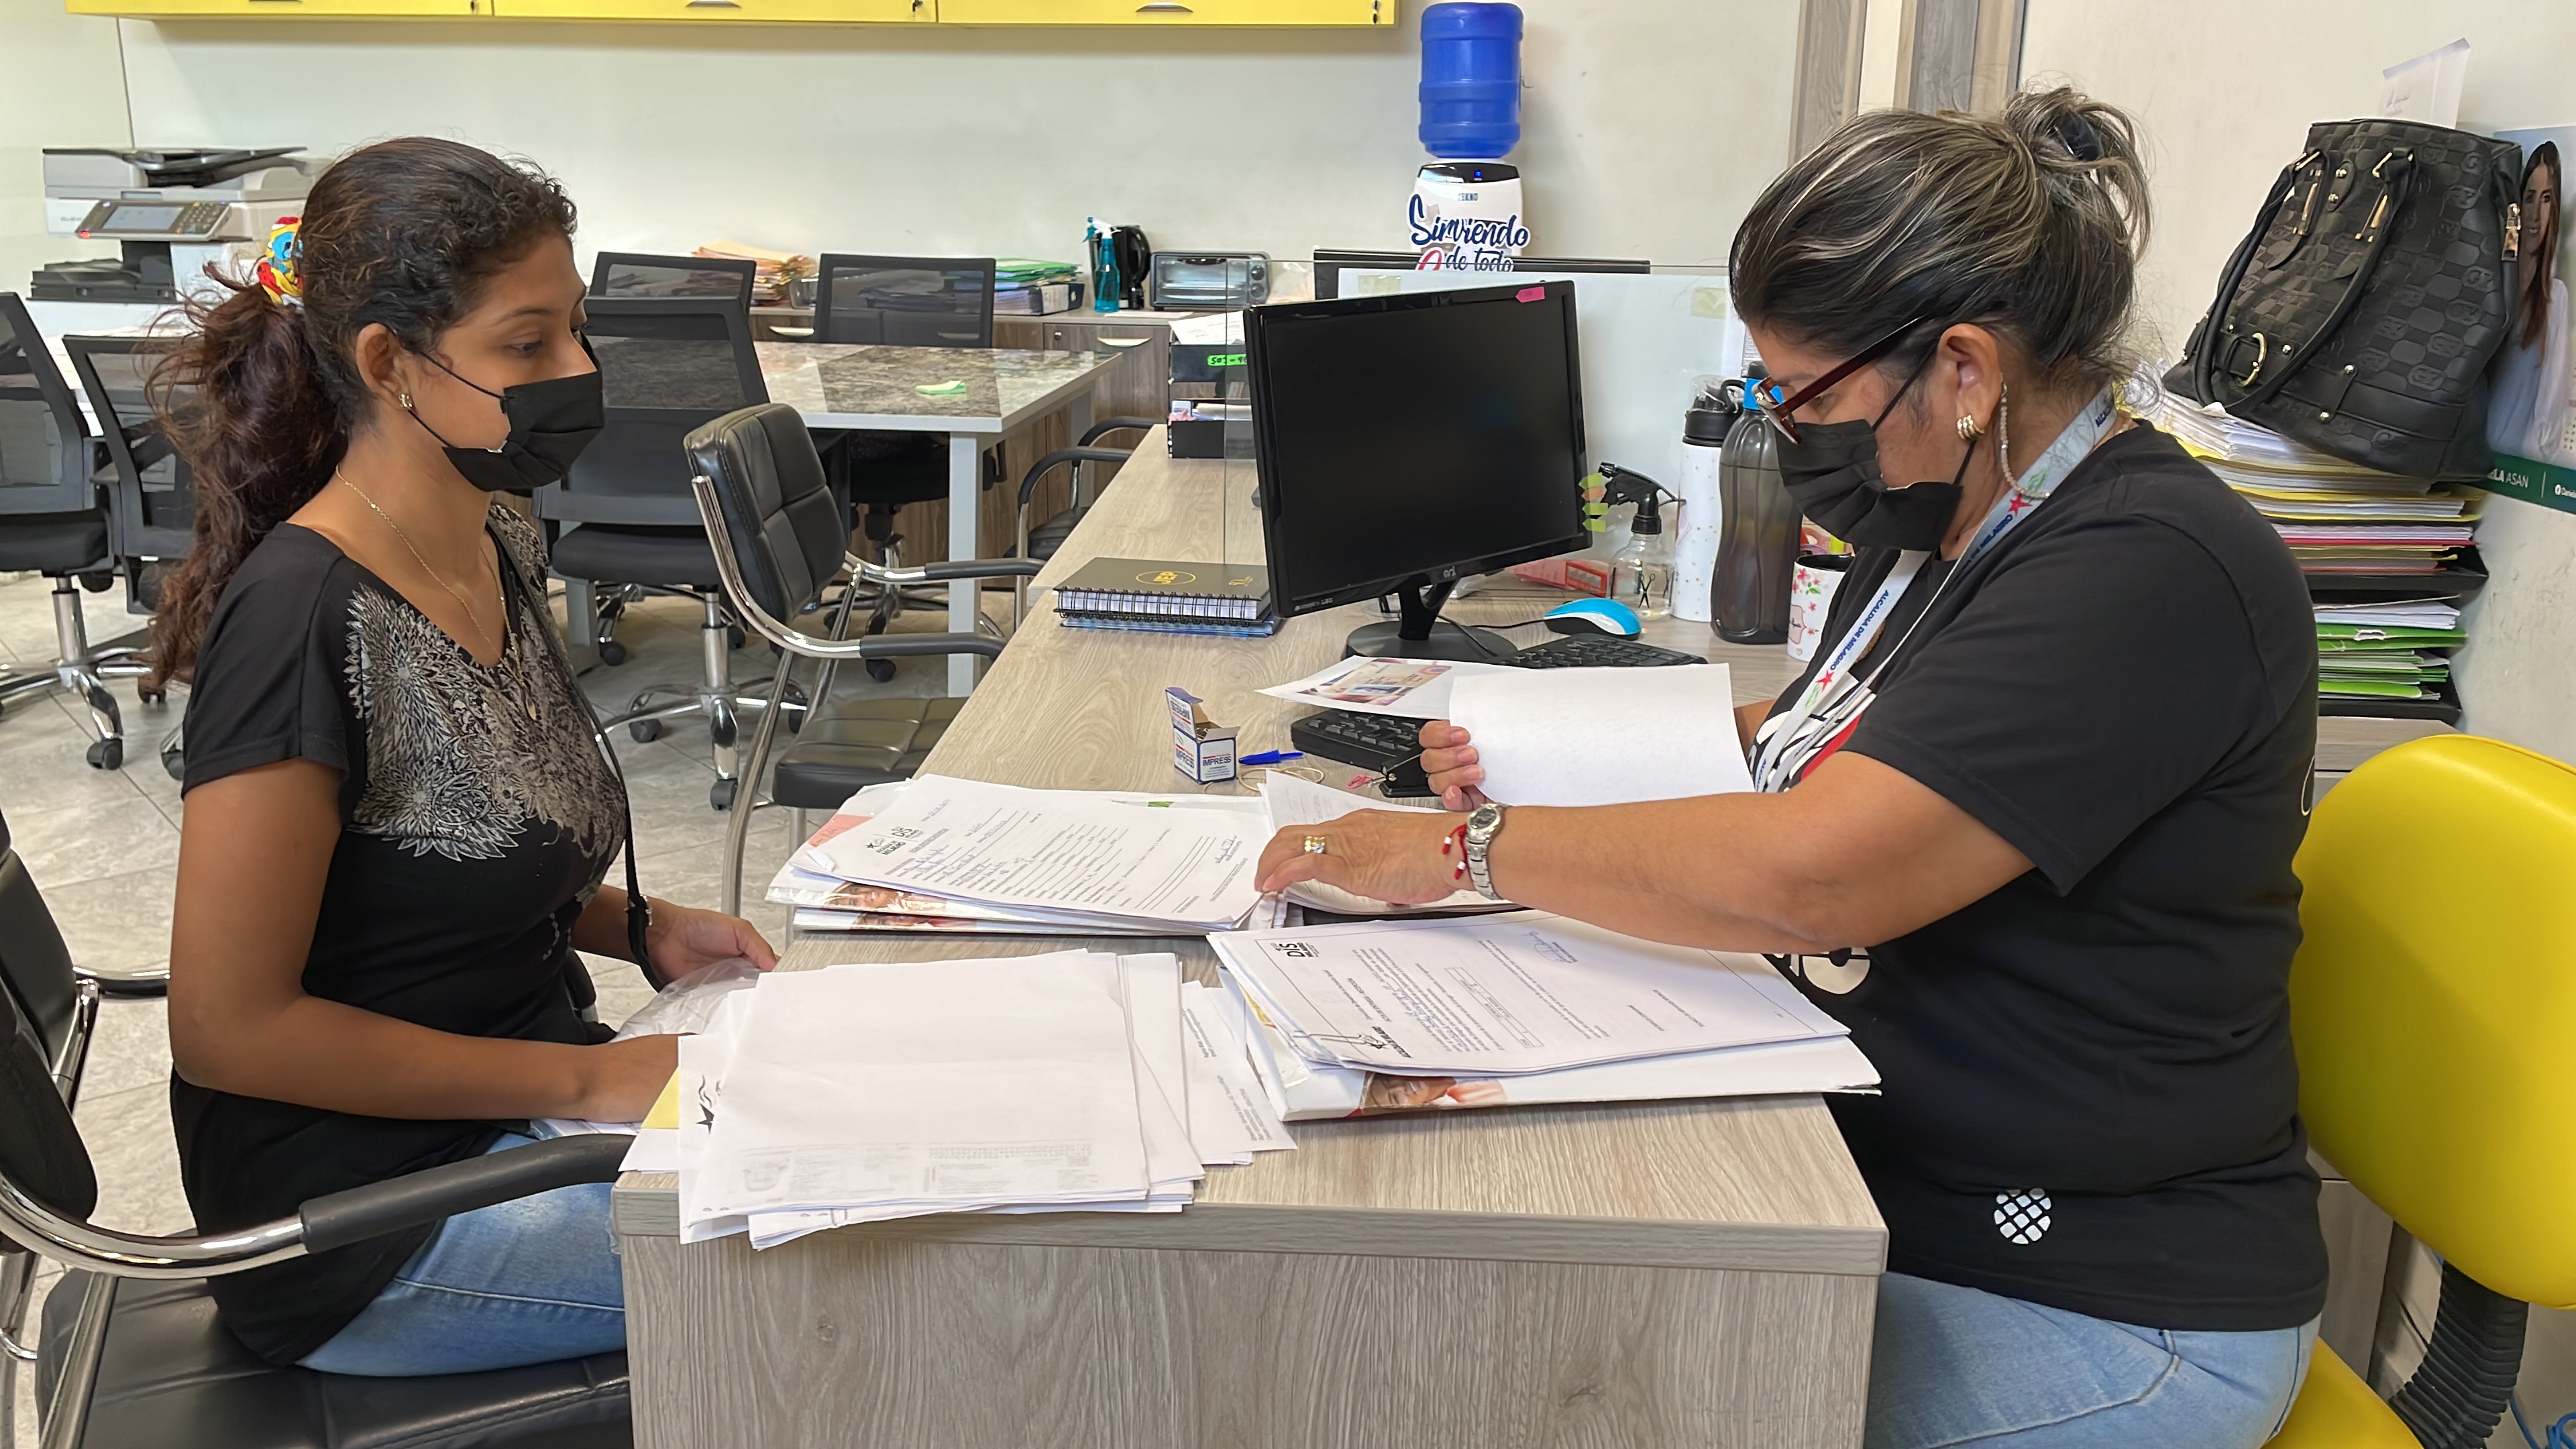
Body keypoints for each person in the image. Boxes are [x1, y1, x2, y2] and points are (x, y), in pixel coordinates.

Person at [1256, 89, 2324, 1449]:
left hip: (2096, 1300)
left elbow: (1819, 876)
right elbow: (1822, 733)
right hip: (1880, 1183)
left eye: (1805, 396)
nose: (1786, 432)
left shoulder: (2146, 572)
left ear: (1965, 371)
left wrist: (1463, 850)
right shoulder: (1957, 517)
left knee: (1572, 1403)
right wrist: (1537, 748)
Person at [154, 137, 778, 1377]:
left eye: (577, 330)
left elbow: (440, 846)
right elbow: (226, 1029)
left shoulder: (497, 533)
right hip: (362, 1221)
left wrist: (637, 925)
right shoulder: (301, 621)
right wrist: (586, 1086)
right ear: (390, 365)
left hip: (515, 1114)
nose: (578, 372)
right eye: (527, 345)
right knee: (868, 1249)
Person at [2488, 142, 2567, 464]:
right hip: (2464, 453)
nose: (2535, 214)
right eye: (2530, 197)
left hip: (2511, 466)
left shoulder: (2555, 298)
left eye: (2546, 198)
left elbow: (2551, 399)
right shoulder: (2491, 280)